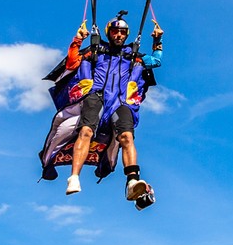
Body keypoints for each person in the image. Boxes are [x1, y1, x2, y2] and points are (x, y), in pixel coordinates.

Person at [62, 11, 163, 205]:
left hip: (121, 102)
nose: (119, 35)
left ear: (127, 35)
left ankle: (132, 181)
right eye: (115, 32)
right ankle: (74, 176)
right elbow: (72, 61)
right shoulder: (95, 52)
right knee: (86, 131)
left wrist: (158, 41)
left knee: (127, 136)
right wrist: (78, 40)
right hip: (97, 96)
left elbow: (156, 61)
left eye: (122, 33)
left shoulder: (132, 56)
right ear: (109, 33)